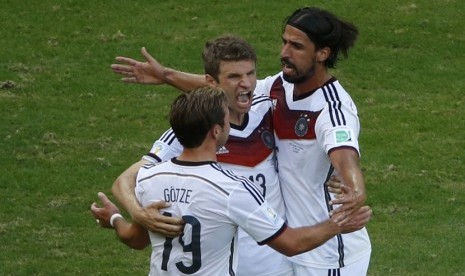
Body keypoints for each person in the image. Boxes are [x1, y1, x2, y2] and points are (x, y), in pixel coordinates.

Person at [111, 7, 371, 275]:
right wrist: (167, 76)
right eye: (284, 42)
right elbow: (226, 88)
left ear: (322, 53)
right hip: (279, 252)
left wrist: (355, 189)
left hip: (326, 255)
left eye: (296, 46)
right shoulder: (275, 90)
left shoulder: (329, 107)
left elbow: (345, 156)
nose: (284, 53)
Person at [91, 86, 372, 276]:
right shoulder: (232, 189)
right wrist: (339, 223)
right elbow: (292, 243)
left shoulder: (148, 179)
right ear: (216, 131)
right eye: (226, 120)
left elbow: (136, 239)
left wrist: (115, 218)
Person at [111, 35, 295, 275]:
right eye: (234, 77)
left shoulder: (268, 106)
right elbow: (124, 181)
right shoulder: (192, 131)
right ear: (211, 82)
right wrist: (138, 214)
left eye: (250, 74)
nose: (247, 84)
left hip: (274, 264)